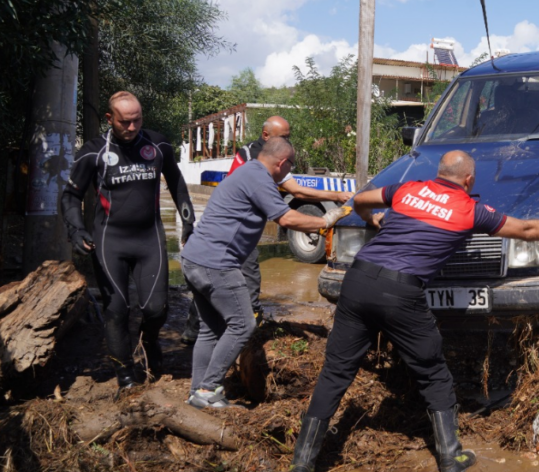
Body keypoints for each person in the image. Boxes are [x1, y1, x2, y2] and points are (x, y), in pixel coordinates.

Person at [289, 150, 539, 472]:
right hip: (400, 292)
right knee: (432, 372)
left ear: (439, 172)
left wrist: (374, 221)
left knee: (336, 372)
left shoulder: (407, 189)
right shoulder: (469, 209)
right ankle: (451, 458)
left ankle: (302, 463)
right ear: (469, 180)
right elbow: (525, 230)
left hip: (358, 279)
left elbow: (359, 200)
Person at [180, 137, 347, 409]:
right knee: (243, 324)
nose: (289, 171)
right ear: (282, 163)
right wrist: (326, 221)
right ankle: (208, 389)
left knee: (211, 330)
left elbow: (295, 197)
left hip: (194, 259)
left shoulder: (248, 171)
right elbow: (287, 218)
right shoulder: (259, 179)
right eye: (291, 166)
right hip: (218, 263)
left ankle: (196, 393)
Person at [61, 91, 196, 389]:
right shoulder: (94, 151)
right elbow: (70, 195)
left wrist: (188, 221)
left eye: (137, 120)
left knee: (156, 309)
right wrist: (75, 230)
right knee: (116, 310)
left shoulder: (158, 145)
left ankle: (149, 341)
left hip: (150, 239)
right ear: (110, 119)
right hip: (110, 241)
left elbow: (176, 182)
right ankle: (125, 376)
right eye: (125, 122)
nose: (133, 127)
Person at [181, 115, 352, 343]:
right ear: (266, 136)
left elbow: (296, 190)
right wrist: (327, 215)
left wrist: (336, 195)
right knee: (246, 280)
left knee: (212, 282)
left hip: (236, 230)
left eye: (288, 137)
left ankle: (203, 332)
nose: (288, 141)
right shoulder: (256, 155)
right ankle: (248, 334)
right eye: (284, 137)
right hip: (233, 231)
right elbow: (292, 201)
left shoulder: (267, 154)